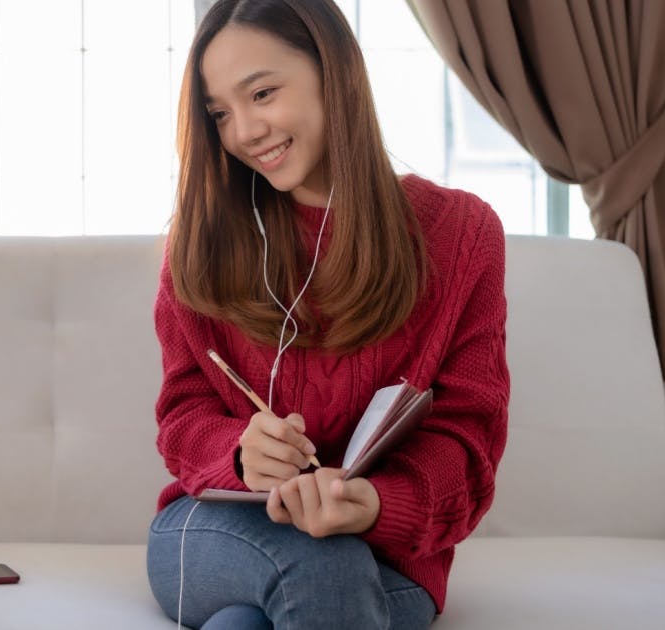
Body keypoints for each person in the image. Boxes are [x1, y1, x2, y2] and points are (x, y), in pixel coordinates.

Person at [145, 1, 511, 628]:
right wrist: (240, 452)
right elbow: (182, 417)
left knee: (255, 618)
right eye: (221, 114)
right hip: (215, 530)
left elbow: (466, 441)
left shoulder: (463, 235)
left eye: (261, 93)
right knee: (321, 568)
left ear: (334, 72)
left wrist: (369, 505)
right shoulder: (201, 243)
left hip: (384, 556)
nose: (243, 132)